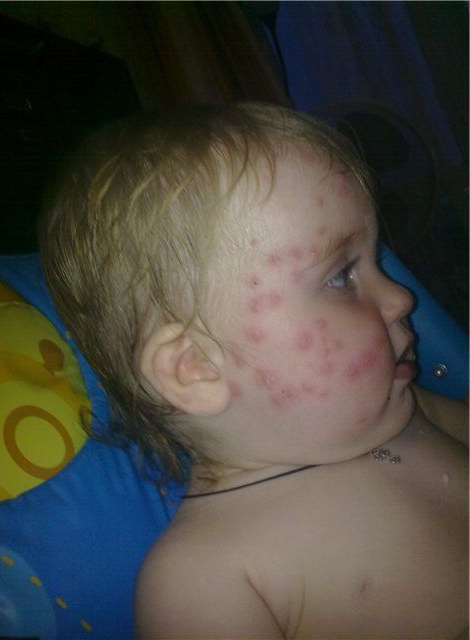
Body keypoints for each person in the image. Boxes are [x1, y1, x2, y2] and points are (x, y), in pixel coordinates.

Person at [39, 103, 468, 640]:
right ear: (196, 367)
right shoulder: (207, 580)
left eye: (377, 259)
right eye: (341, 276)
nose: (402, 297)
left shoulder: (411, 409)